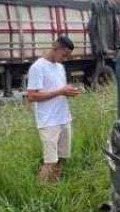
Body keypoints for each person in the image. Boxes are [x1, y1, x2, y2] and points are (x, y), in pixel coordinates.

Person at [26, 36, 82, 183]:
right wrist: (60, 92)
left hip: (64, 118)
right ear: (55, 47)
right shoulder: (38, 67)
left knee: (62, 158)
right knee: (50, 161)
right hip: (48, 121)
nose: (64, 59)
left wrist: (69, 92)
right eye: (64, 55)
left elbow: (59, 90)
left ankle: (54, 187)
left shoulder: (60, 67)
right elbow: (31, 96)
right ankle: (39, 192)